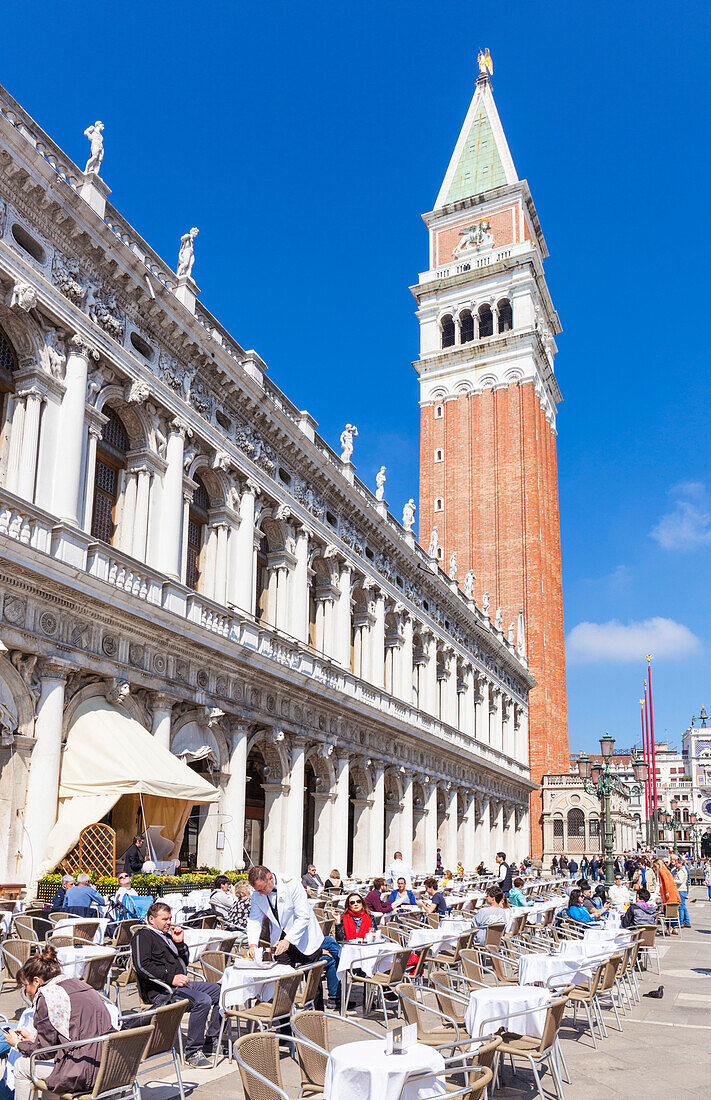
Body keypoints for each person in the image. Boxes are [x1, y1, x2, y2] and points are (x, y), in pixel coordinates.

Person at [7, 944, 115, 1100]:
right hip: (110, 1065)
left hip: (83, 1072)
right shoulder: (80, 984)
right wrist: (33, 1038)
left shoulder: (48, 996)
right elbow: (70, 1033)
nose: (27, 992)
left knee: (21, 1066)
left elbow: (45, 1053)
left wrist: (18, 1044)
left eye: (26, 986)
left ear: (36, 981)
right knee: (47, 1065)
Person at [132, 901, 221, 1068]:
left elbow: (185, 962)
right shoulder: (142, 936)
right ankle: (192, 1052)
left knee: (222, 991)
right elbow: (141, 966)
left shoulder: (166, 935)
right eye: (164, 919)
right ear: (151, 919)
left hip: (182, 985)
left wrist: (179, 943)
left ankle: (211, 1039)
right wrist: (170, 978)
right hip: (162, 991)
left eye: (170, 918)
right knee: (203, 1001)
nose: (169, 922)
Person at [246, 865, 337, 1007]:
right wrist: (252, 943)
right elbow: (254, 920)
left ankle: (316, 1019)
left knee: (313, 984)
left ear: (270, 878)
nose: (261, 894)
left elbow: (303, 916)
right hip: (279, 939)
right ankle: (284, 1025)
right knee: (282, 982)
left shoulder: (291, 883)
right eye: (258, 890)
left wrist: (289, 940)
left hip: (305, 937)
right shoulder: (257, 894)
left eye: (263, 889)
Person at [673, 856, 691, 929]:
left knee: (680, 906)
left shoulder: (682, 871)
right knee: (683, 906)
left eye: (677, 863)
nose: (675, 864)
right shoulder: (681, 870)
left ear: (680, 863)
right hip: (682, 889)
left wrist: (672, 881)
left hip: (681, 889)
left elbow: (680, 881)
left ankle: (680, 922)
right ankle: (687, 921)